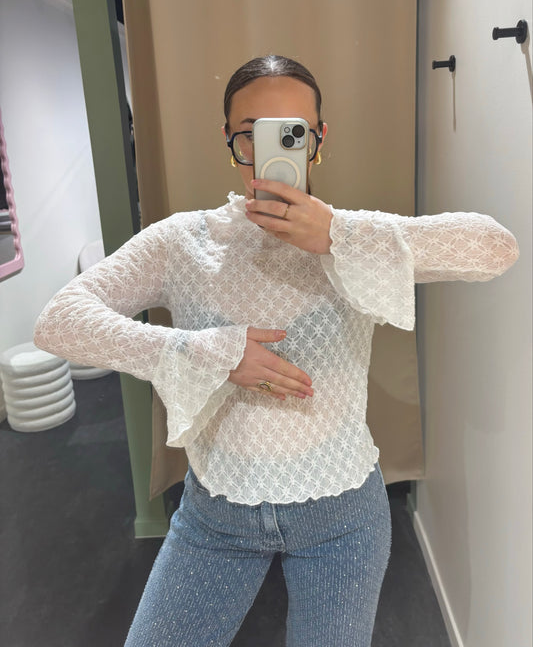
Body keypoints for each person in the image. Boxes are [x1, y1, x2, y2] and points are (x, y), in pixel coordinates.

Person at [34, 55, 519, 647]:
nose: (270, 149)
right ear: (231, 141)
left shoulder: (356, 240)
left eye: (293, 132)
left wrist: (337, 234)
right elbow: (59, 321)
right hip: (216, 514)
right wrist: (207, 353)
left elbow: (496, 248)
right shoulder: (183, 243)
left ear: (318, 140)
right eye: (252, 133)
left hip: (343, 516)